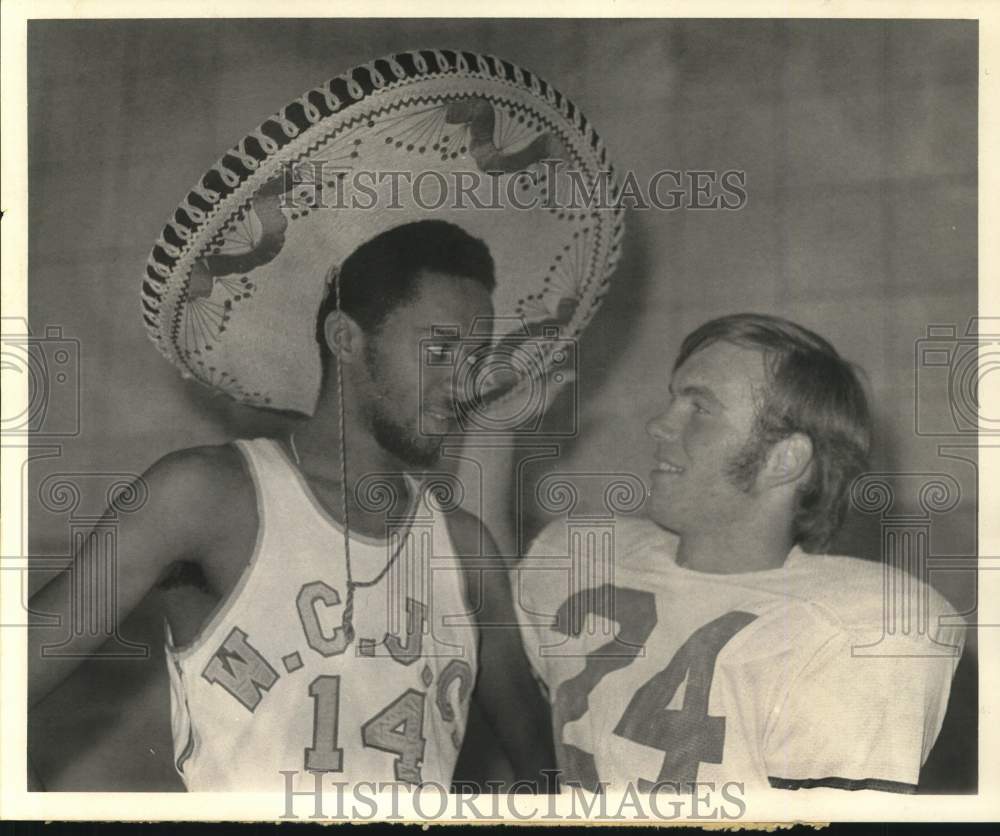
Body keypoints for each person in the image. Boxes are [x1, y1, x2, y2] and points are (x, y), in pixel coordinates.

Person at [28, 220, 555, 791]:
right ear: (345, 338)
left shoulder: (465, 547)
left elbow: (550, 772)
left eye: (476, 357)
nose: (464, 381)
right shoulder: (206, 495)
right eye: (441, 349)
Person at [514, 313, 965, 794]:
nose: (659, 425)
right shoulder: (581, 553)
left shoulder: (861, 627)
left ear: (783, 460)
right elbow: (469, 595)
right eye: (674, 399)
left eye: (700, 409)